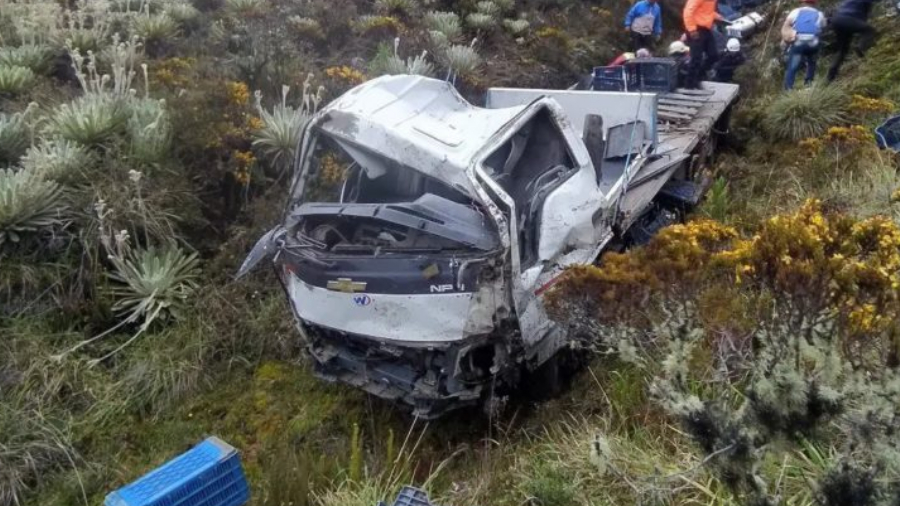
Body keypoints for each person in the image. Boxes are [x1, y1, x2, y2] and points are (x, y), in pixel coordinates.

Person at [826, 0, 877, 82]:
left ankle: (829, 78)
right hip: (849, 19)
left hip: (837, 20)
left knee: (841, 51)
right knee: (869, 30)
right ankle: (861, 48)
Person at [781, 0, 826, 89]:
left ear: (802, 2)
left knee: (792, 66)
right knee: (811, 63)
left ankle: (788, 90)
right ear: (815, 3)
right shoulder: (819, 14)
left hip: (798, 42)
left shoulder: (795, 11)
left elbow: (786, 25)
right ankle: (808, 86)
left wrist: (786, 38)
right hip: (813, 43)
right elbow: (823, 25)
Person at [683, 0, 723, 89]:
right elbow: (688, 11)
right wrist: (692, 29)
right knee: (696, 58)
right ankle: (689, 85)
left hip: (706, 28)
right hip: (696, 28)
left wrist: (716, 16)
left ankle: (698, 76)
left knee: (714, 55)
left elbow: (706, 11)